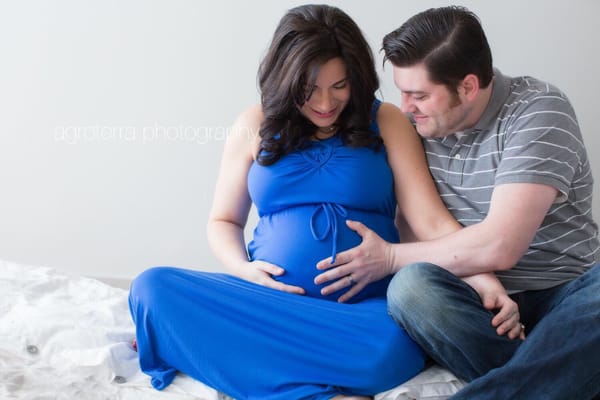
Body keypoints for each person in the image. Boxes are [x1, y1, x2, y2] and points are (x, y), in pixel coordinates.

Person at [128, 5, 522, 400]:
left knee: (389, 349)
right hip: (270, 303)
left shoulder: (386, 120)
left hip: (364, 314)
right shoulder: (254, 123)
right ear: (285, 78)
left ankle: (256, 369)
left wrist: (485, 280)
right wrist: (243, 271)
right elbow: (223, 220)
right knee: (152, 289)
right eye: (310, 88)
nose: (325, 102)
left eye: (340, 85)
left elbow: (431, 222)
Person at [313, 5, 600, 400]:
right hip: (475, 308)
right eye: (401, 91)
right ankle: (562, 376)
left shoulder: (538, 111)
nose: (406, 106)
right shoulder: (415, 128)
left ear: (467, 87)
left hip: (562, 295)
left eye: (419, 95)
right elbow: (415, 227)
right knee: (410, 288)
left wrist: (391, 257)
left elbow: (501, 245)